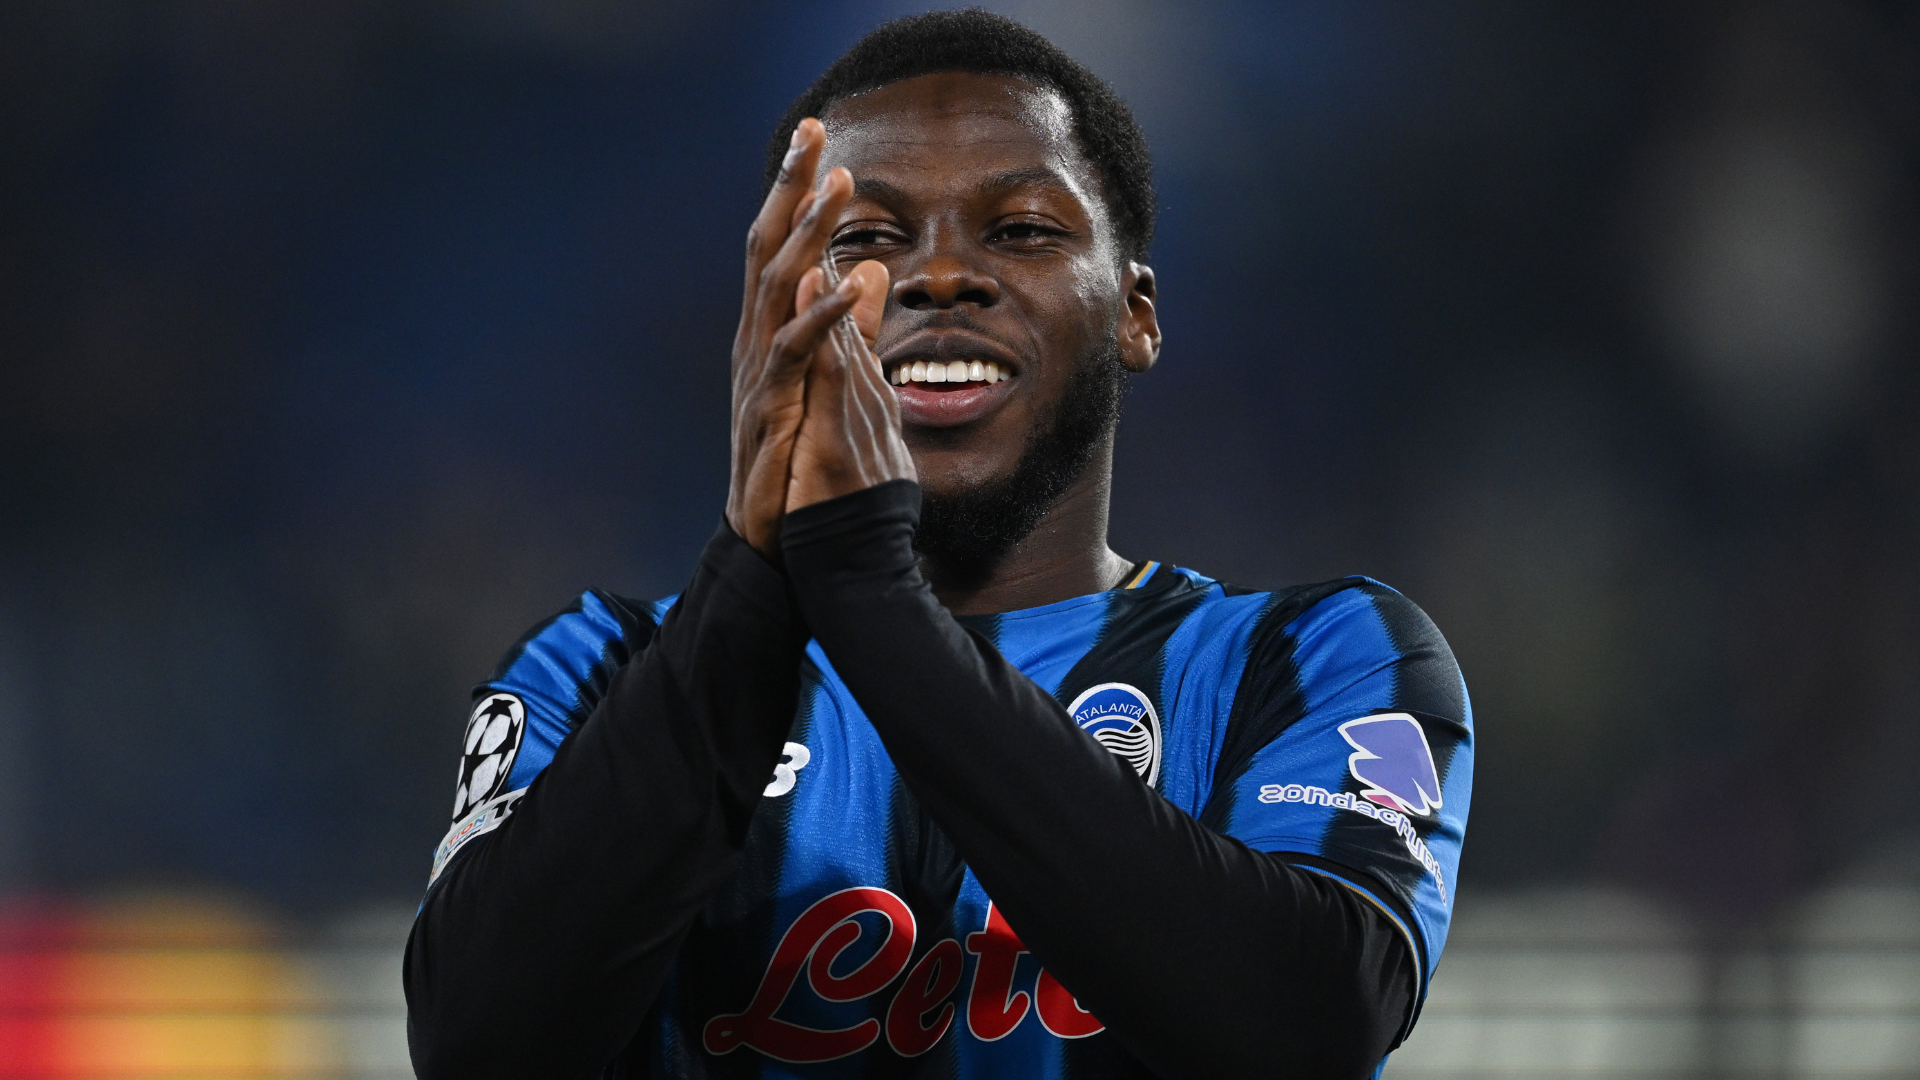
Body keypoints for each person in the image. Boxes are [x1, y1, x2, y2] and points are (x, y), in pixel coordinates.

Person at [403, 11, 1472, 1079]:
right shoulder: (598, 667)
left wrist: (869, 595)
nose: (942, 274)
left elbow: (1310, 1027)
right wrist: (757, 587)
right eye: (867, 238)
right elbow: (479, 1046)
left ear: (1135, 314)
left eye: (1023, 230)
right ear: (771, 314)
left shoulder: (1320, 657)